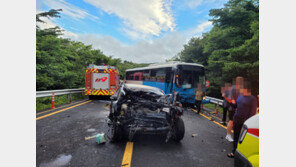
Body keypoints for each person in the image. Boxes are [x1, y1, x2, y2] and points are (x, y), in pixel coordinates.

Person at [227, 81, 257, 158]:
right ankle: (234, 152)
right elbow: (235, 106)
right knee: (236, 136)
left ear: (246, 89)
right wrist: (230, 102)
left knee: (243, 139)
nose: (240, 90)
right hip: (237, 120)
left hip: (245, 122)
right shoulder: (240, 96)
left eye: (241, 88)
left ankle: (242, 154)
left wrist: (246, 123)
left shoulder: (252, 99)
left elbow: (252, 113)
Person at [223, 77, 244, 142]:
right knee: (231, 121)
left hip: (240, 108)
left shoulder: (242, 88)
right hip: (233, 107)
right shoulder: (233, 88)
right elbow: (226, 97)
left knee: (238, 122)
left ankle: (237, 136)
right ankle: (228, 135)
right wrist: (233, 103)